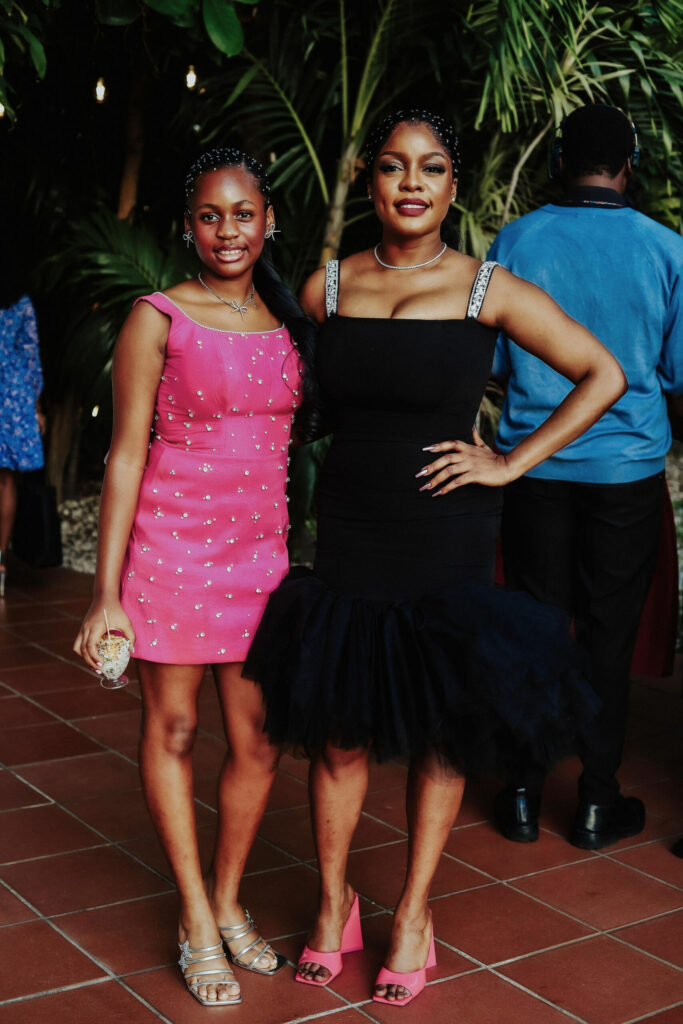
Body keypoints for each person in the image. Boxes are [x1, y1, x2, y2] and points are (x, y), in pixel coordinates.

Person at [243, 108, 626, 1007]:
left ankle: (412, 914)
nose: (410, 182)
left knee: (441, 736)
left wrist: (509, 462)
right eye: (392, 165)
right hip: (351, 529)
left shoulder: (486, 287)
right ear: (370, 181)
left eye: (431, 167)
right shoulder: (327, 287)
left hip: (446, 533)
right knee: (337, 733)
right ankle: (332, 903)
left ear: (453, 185)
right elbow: (279, 396)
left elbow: (603, 373)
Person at [74, 147, 314, 1008]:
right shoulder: (158, 316)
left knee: (258, 742)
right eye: (210, 216)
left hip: (261, 561)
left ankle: (225, 898)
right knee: (173, 730)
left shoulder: (294, 320)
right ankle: (195, 918)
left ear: (268, 222)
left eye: (243, 214)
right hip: (172, 551)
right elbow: (125, 455)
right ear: (188, 227)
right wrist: (105, 593)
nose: (227, 230)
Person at [489, 103, 683, 852]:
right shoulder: (667, 248)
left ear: (559, 163)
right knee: (608, 634)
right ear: (629, 166)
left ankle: (520, 792)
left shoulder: (516, 239)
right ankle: (597, 803)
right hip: (626, 472)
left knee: (534, 624)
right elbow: (675, 372)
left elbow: (497, 359)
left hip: (531, 464)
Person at [0, 293, 46, 596]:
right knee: (6, 481)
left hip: (11, 395)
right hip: (12, 395)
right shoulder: (20, 302)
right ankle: (0, 561)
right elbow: (30, 359)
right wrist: (36, 407)